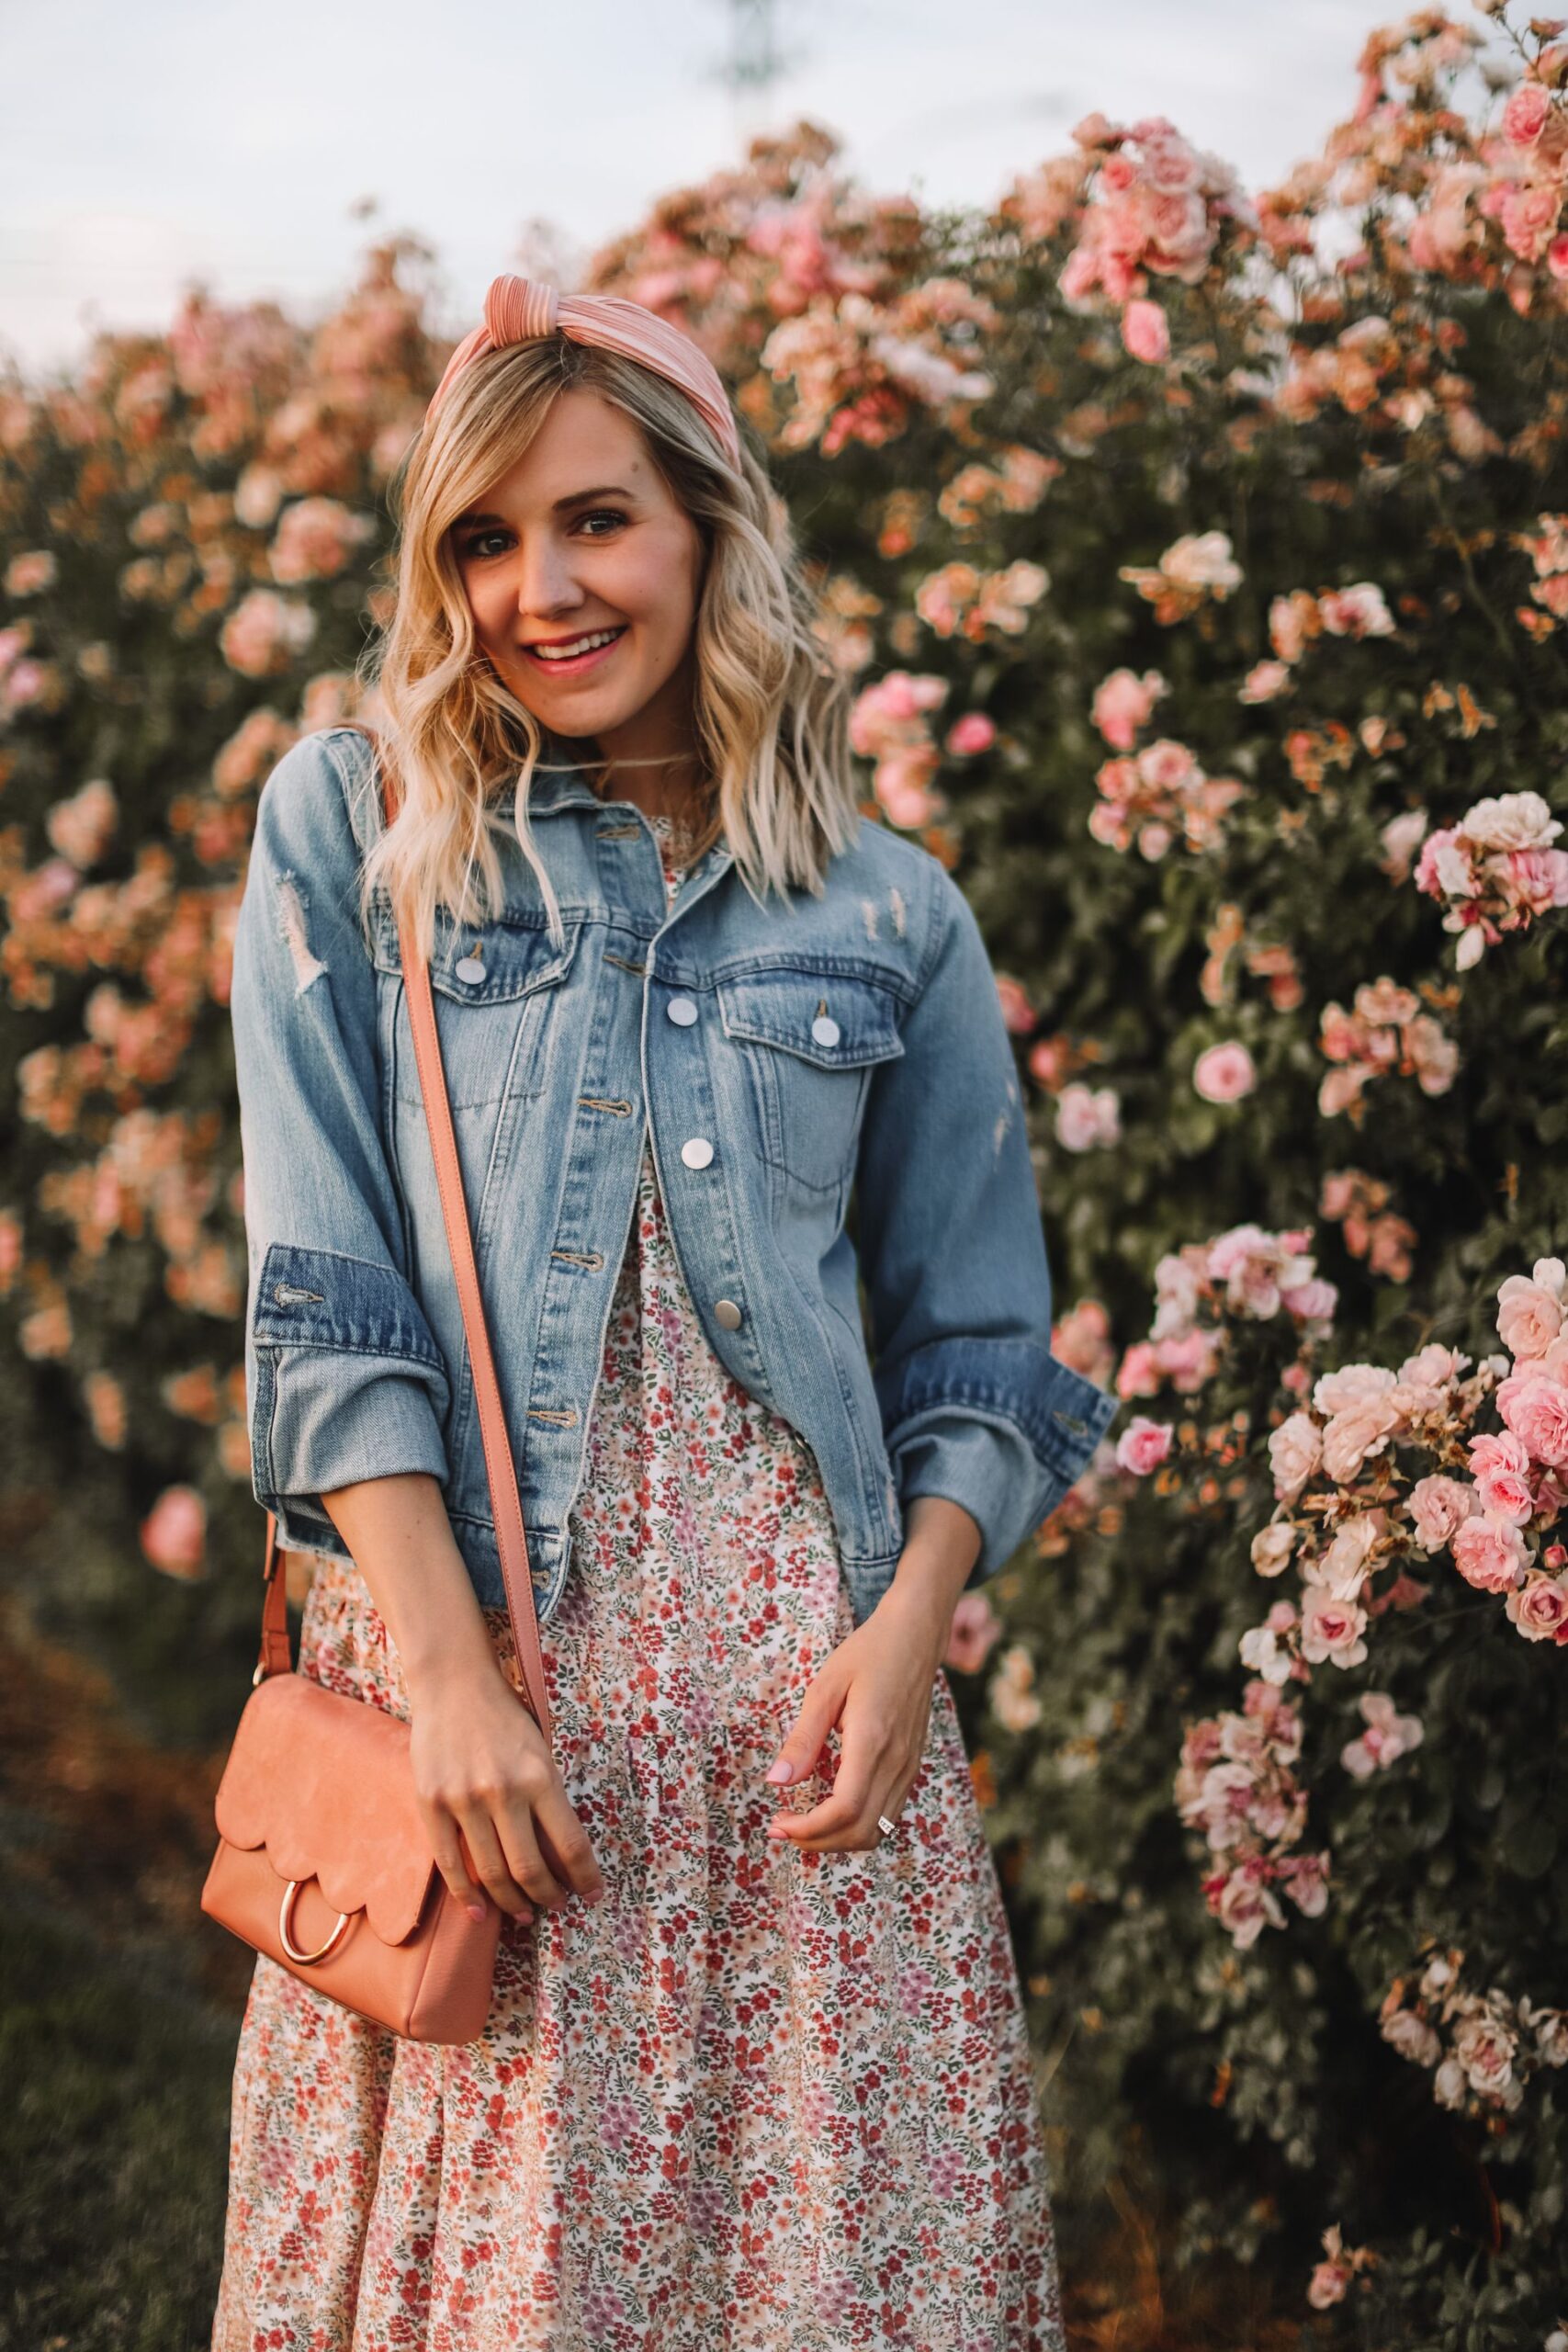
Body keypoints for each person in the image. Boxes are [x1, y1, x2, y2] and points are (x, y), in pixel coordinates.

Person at [211, 272, 1120, 2352]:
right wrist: (443, 1678)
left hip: (804, 1763)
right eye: (484, 535)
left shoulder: (884, 908)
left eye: (598, 518)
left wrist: (908, 1635)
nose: (541, 585)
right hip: (495, 1743)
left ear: (707, 525)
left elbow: (973, 1343)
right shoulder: (357, 832)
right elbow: (328, 1290)